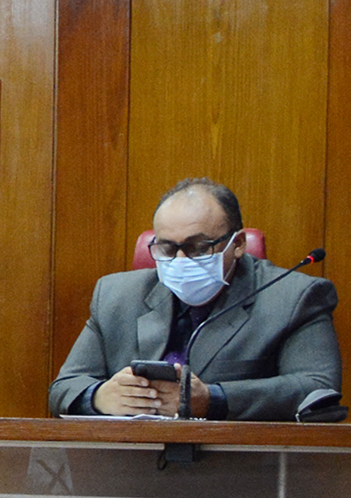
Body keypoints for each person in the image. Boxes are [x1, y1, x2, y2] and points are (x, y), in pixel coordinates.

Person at [49, 177, 340, 421]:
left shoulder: (294, 297)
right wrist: (99, 396)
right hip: (132, 460)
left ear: (238, 244)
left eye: (198, 247)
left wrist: (215, 399)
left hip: (240, 464)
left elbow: (317, 387)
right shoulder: (116, 295)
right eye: (167, 248)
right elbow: (64, 387)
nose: (180, 259)